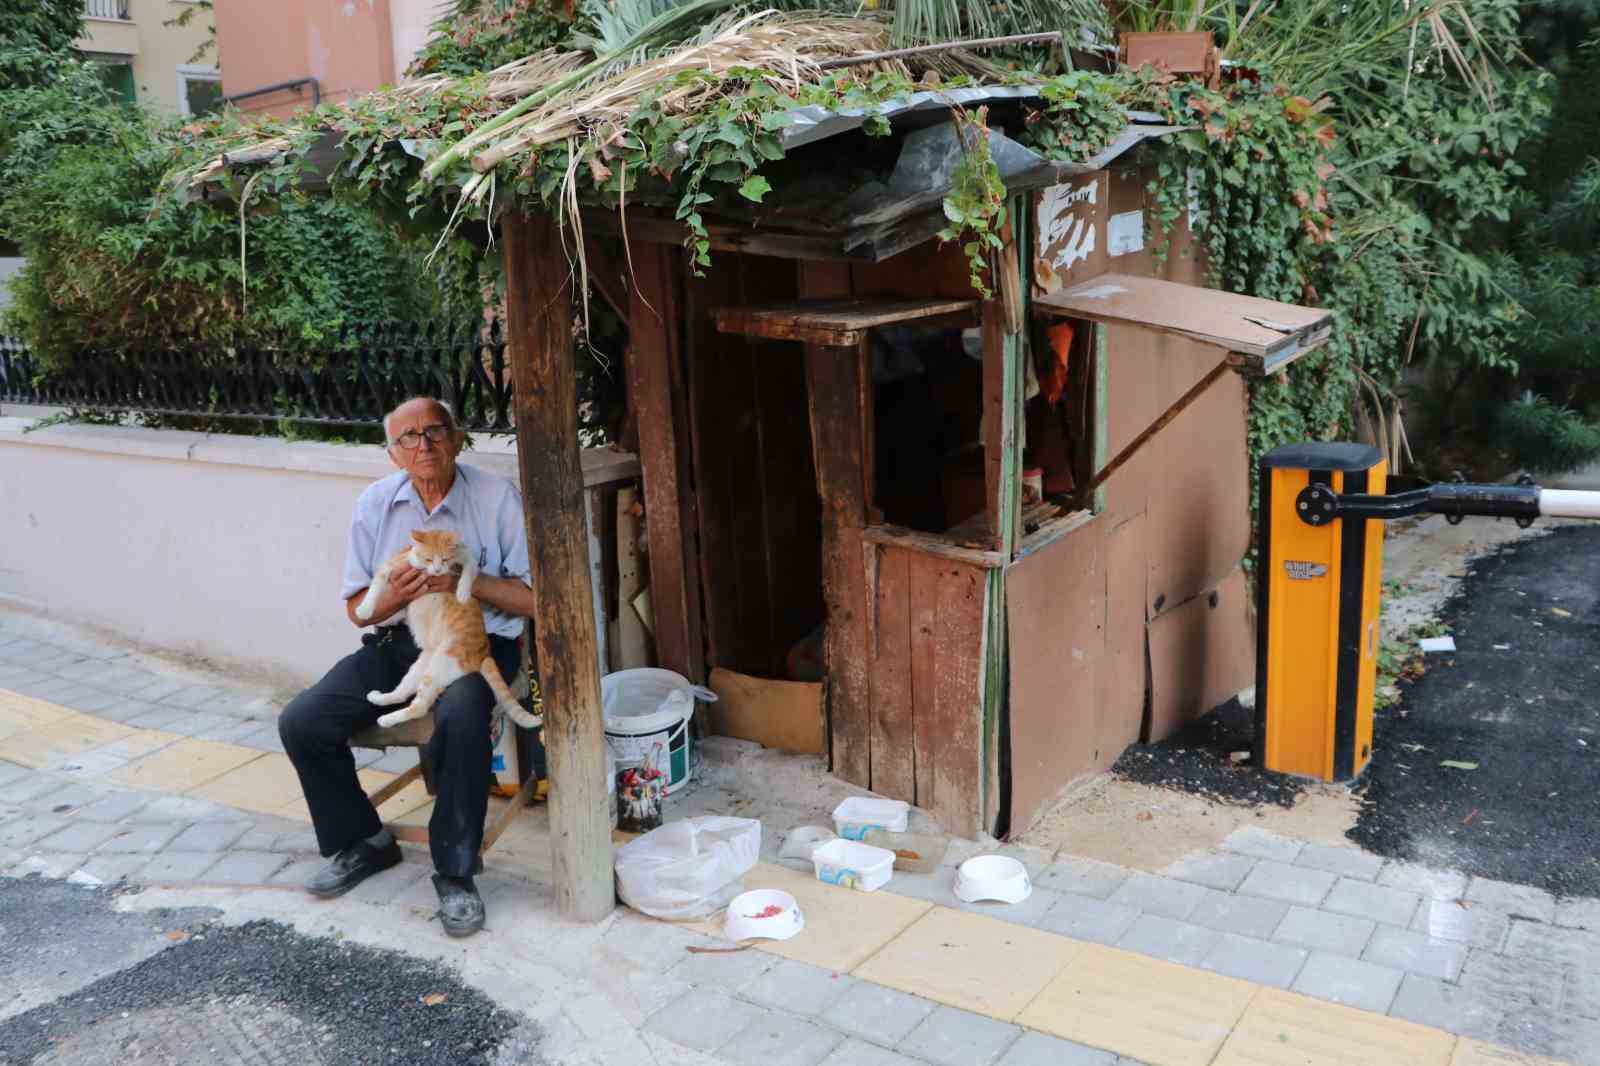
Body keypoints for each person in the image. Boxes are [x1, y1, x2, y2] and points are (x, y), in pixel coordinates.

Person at [278, 396, 536, 936]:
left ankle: (456, 871)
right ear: (392, 452)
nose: (424, 445)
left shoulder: (495, 497)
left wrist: (463, 583)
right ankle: (364, 841)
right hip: (400, 640)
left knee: (464, 712)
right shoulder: (376, 504)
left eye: (435, 431)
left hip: (475, 642)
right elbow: (357, 610)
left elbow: (537, 599)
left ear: (457, 437)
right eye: (409, 438)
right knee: (302, 721)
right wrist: (395, 595)